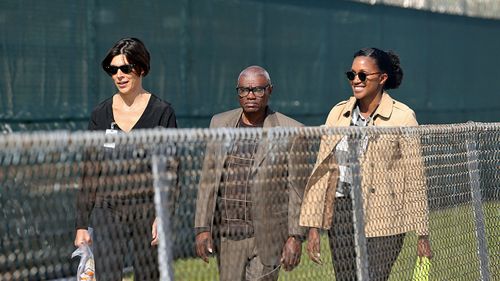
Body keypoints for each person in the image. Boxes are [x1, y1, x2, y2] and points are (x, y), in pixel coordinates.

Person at [299, 48, 432, 280]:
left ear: (382, 78)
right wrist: (313, 226)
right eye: (352, 75)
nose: (356, 81)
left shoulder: (403, 117)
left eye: (363, 75)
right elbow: (323, 171)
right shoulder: (338, 113)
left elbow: (415, 176)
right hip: (341, 212)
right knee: (346, 277)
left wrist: (422, 234)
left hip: (384, 214)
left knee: (373, 277)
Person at [73, 37, 177, 280]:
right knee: (107, 275)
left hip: (147, 209)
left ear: (141, 69)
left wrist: (163, 215)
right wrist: (81, 224)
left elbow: (171, 172)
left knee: (148, 275)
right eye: (112, 69)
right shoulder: (100, 114)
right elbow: (90, 170)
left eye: (125, 68)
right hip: (108, 208)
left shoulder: (162, 112)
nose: (118, 75)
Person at [194, 66, 306, 281]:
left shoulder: (291, 130)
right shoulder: (219, 124)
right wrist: (201, 228)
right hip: (228, 237)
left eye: (258, 90)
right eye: (244, 90)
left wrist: (295, 236)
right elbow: (207, 181)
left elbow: (297, 191)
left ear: (270, 91)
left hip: (267, 237)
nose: (250, 96)